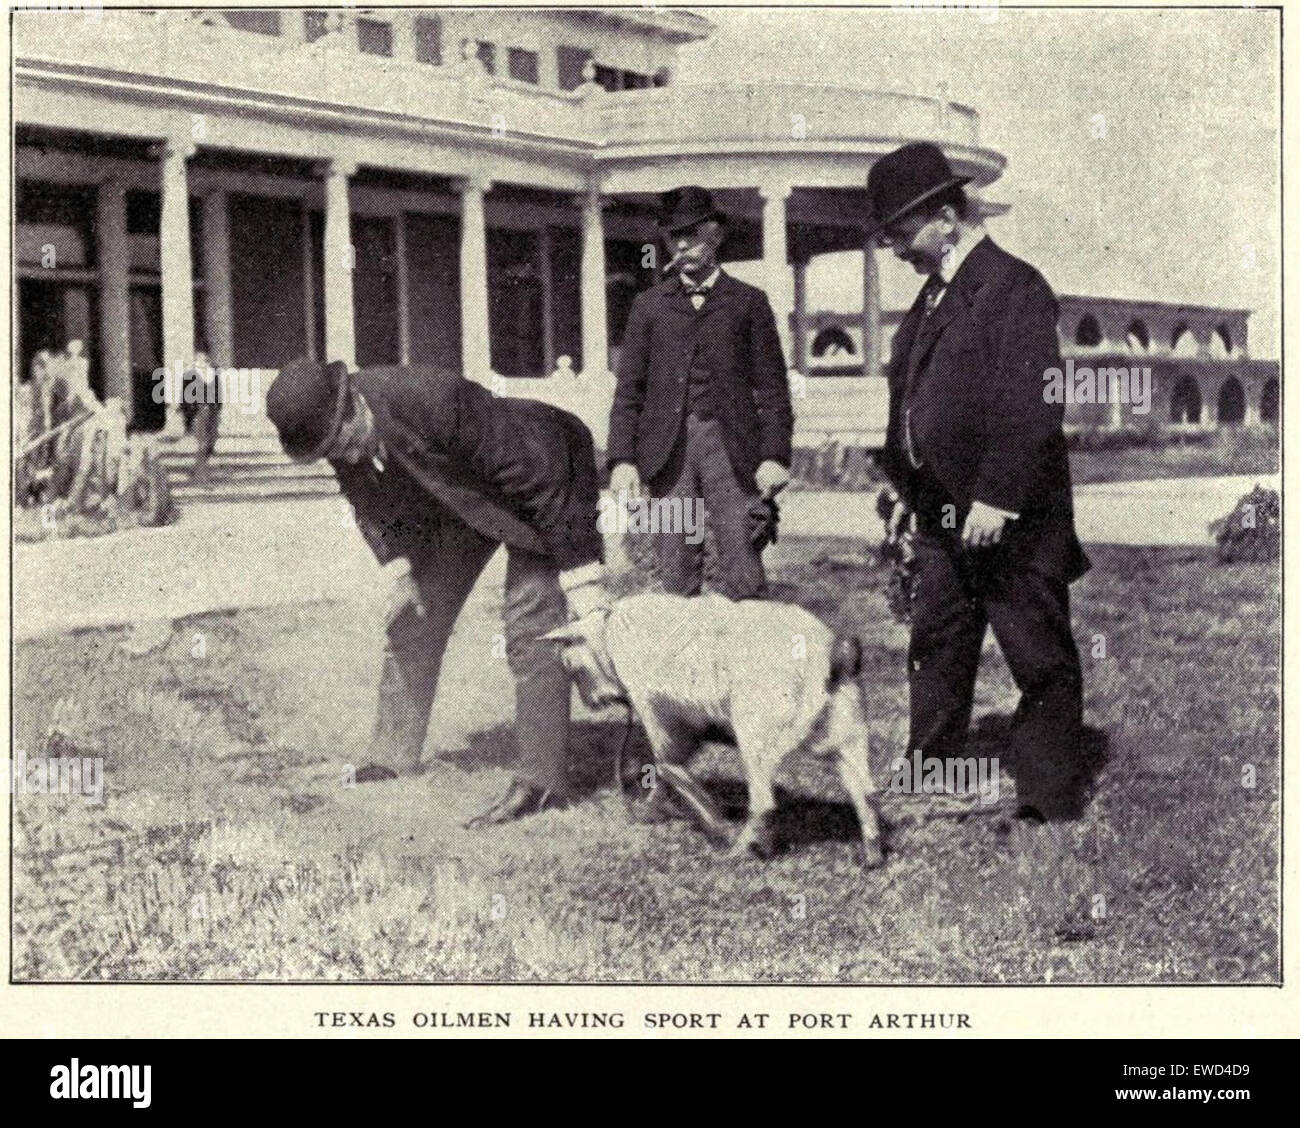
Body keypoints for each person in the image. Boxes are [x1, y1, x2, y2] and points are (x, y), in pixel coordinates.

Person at [265, 357, 607, 825]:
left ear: (353, 406)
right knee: (415, 615)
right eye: (329, 451)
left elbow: (538, 483)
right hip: (464, 492)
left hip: (547, 473)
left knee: (530, 621)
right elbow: (367, 502)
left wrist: (584, 582)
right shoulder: (337, 434)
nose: (343, 458)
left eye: (341, 443)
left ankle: (541, 781)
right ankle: (392, 754)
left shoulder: (435, 398)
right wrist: (400, 572)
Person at [868, 142, 1091, 823]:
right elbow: (908, 398)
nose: (899, 251)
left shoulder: (1014, 287)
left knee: (1036, 652)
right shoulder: (932, 298)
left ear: (944, 217)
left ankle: (1048, 800)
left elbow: (1031, 403)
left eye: (903, 235)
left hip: (1011, 514)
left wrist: (996, 495)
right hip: (938, 511)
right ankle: (932, 769)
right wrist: (902, 488)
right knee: (937, 640)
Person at [606, 186, 793, 599]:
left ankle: (755, 660)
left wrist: (775, 455)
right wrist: (622, 461)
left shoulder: (749, 303)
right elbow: (628, 392)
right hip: (668, 452)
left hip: (731, 450)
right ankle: (683, 662)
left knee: (742, 566)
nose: (684, 244)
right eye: (675, 237)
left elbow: (774, 390)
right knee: (674, 573)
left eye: (693, 233)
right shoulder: (648, 307)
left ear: (717, 235)